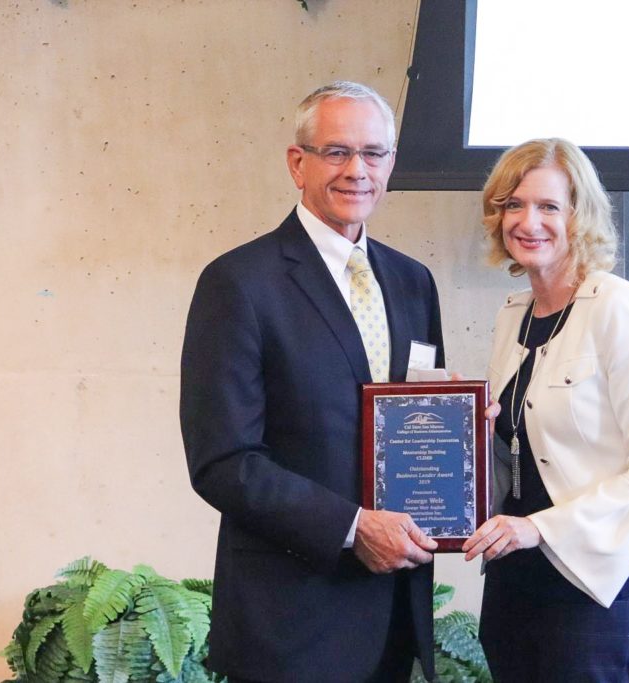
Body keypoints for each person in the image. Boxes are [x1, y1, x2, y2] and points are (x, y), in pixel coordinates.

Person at [180, 81, 444, 682]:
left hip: (392, 618)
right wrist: (354, 528)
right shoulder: (239, 283)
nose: (357, 170)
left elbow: (415, 426)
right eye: (336, 152)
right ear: (297, 163)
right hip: (290, 624)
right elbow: (223, 460)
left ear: (391, 165)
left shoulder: (412, 282)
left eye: (373, 154)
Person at [462, 138, 629, 681]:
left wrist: (541, 529)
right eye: (513, 205)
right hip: (516, 578)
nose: (529, 221)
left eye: (549, 206)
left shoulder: (621, 310)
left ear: (581, 217)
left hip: (600, 583)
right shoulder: (514, 315)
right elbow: (524, 449)